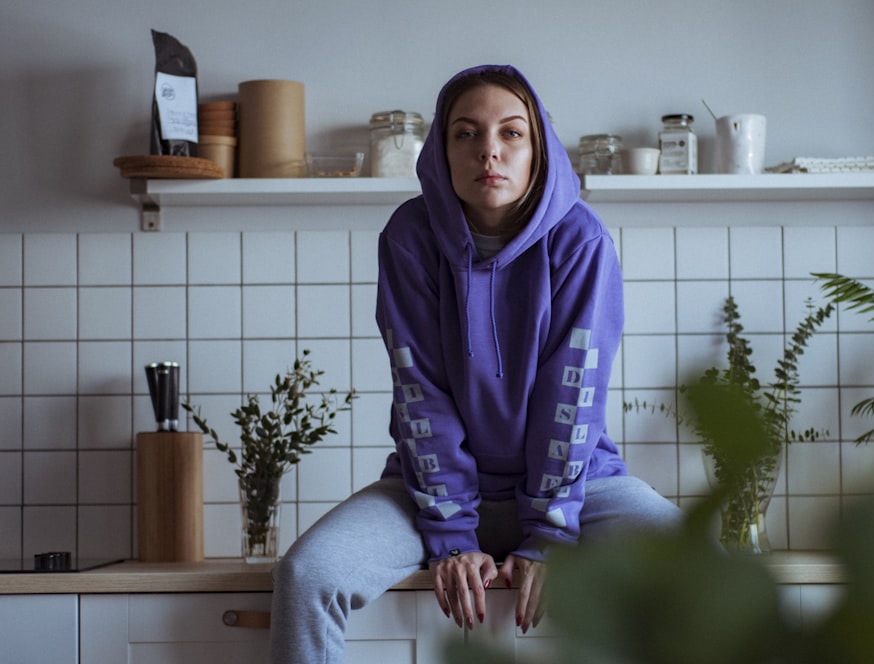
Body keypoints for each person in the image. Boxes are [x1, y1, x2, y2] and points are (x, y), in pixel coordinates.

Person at [268, 64, 682, 663]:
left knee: (710, 573)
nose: (489, 150)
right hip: (432, 491)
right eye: (466, 133)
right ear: (441, 150)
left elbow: (572, 400)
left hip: (580, 487)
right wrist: (450, 538)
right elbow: (420, 392)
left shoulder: (581, 241)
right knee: (306, 575)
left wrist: (548, 536)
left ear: (538, 148)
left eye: (511, 133)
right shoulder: (409, 237)